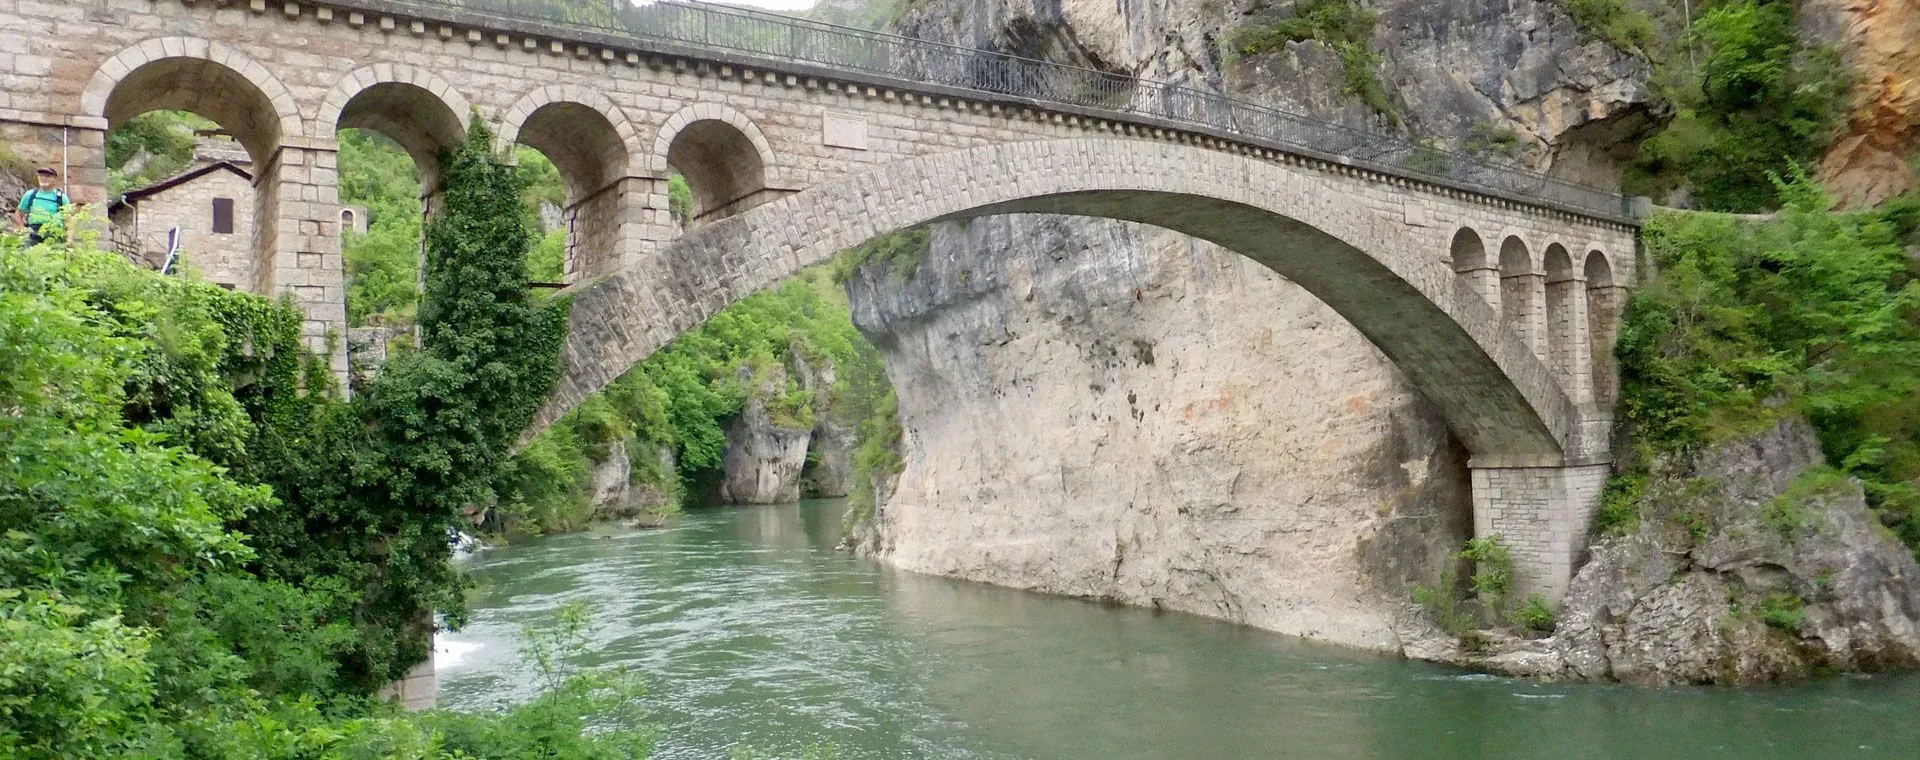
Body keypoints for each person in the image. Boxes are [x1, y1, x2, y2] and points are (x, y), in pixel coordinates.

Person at [14, 167, 71, 246]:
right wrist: (22, 228)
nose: (43, 178)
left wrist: (69, 239)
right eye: (41, 176)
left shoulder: (61, 198)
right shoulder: (30, 195)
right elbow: (18, 214)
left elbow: (69, 221)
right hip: (33, 234)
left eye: (47, 176)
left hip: (54, 234)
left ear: (54, 179)